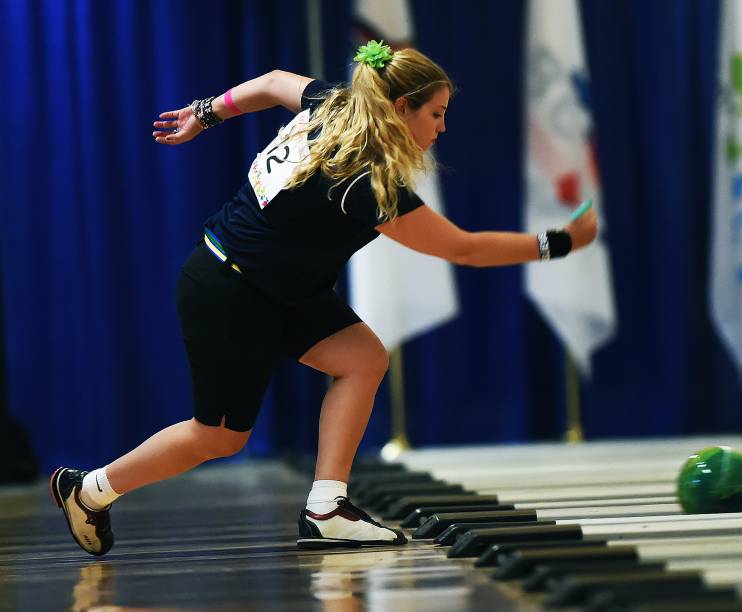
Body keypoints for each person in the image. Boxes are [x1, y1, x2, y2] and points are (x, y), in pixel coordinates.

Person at [50, 41, 598, 555]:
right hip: (231, 288)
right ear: (402, 108)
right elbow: (465, 250)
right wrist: (561, 242)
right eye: (436, 113)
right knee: (218, 437)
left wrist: (207, 112)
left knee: (362, 358)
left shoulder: (331, 103)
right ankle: (90, 490)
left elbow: (268, 84)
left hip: (277, 287)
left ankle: (326, 509)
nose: (443, 127)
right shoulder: (366, 179)